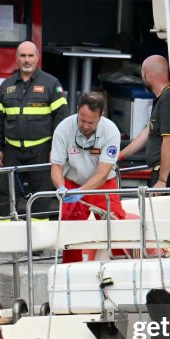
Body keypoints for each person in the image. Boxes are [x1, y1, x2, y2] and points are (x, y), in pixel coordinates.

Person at [0, 41, 68, 218]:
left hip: (41, 151)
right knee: (5, 197)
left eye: (30, 56)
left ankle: (38, 244)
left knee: (40, 199)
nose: (27, 60)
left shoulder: (51, 84)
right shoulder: (6, 86)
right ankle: (1, 238)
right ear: (16, 59)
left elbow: (61, 119)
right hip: (12, 152)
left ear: (37, 58)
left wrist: (56, 150)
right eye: (23, 56)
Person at [49, 91, 126, 263]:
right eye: (82, 120)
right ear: (77, 110)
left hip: (103, 185)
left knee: (117, 229)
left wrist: (82, 191)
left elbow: (102, 172)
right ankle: (70, 272)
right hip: (71, 183)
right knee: (70, 235)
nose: (85, 126)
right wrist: (61, 188)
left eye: (91, 123)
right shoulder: (63, 128)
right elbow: (56, 166)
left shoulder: (111, 131)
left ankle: (121, 268)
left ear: (101, 116)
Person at [120, 55, 170, 188]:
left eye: (142, 74)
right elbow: (147, 132)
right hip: (165, 173)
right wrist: (120, 156)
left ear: (148, 76)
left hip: (168, 175)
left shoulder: (169, 98)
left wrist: (162, 180)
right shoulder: (166, 98)